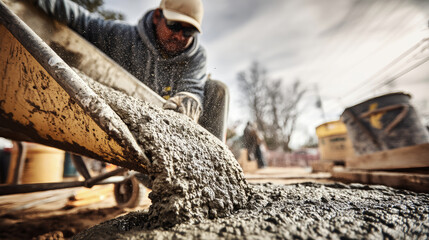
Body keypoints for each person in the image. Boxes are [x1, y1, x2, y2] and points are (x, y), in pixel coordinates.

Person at [33, 0, 207, 122]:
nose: (178, 36)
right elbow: (82, 21)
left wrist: (188, 99)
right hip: (119, 117)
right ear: (157, 17)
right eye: (174, 26)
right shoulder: (124, 37)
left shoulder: (196, 56)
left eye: (188, 32)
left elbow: (192, 88)